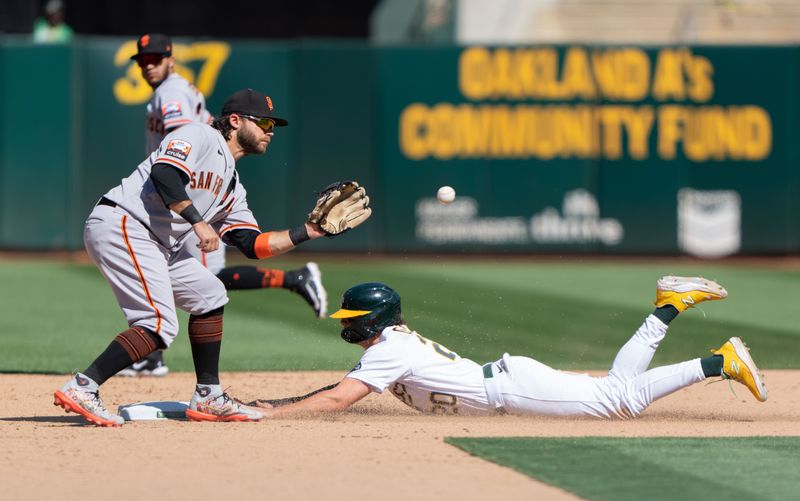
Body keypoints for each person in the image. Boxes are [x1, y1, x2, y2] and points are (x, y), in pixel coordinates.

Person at [53, 88, 371, 426]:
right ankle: (83, 387)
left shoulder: (233, 186)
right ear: (234, 121)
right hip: (125, 223)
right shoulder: (200, 134)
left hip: (158, 243)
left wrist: (309, 231)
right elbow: (165, 174)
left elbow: (252, 244)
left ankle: (208, 395)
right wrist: (198, 222)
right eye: (263, 122)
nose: (270, 131)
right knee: (158, 324)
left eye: (273, 125)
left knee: (210, 294)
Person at [249, 276, 767, 419]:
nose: (347, 325)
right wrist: (279, 403)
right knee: (617, 389)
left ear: (375, 320)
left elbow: (341, 398)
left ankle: (717, 361)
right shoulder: (388, 343)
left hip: (512, 392)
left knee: (622, 401)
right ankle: (670, 304)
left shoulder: (388, 350)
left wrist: (270, 416)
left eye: (353, 318)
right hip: (510, 381)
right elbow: (340, 388)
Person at [120, 33, 327, 378]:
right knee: (176, 275)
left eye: (155, 58)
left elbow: (180, 138)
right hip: (192, 194)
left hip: (188, 195)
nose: (149, 65)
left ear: (171, 58)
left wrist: (191, 208)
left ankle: (152, 354)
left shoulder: (172, 93)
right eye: (143, 60)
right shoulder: (178, 91)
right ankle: (153, 353)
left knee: (197, 280)